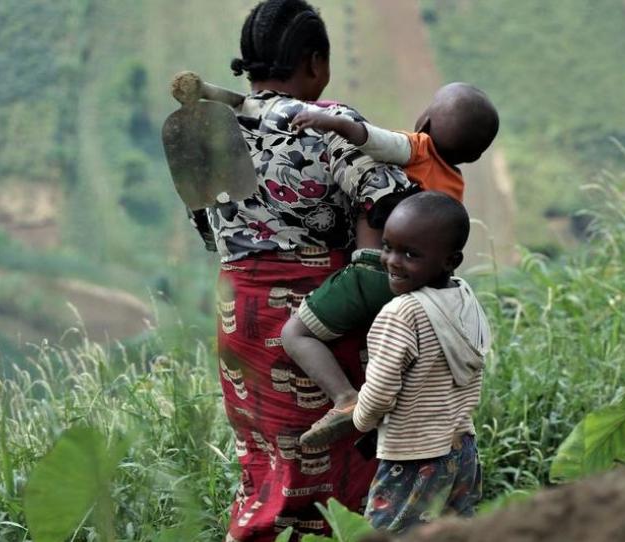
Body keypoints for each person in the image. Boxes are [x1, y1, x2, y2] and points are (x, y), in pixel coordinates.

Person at [188, 1, 412, 539]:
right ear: (315, 63)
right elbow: (390, 202)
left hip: (239, 312)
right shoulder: (327, 123)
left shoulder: (209, 131)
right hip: (317, 313)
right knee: (352, 446)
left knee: (265, 452)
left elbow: (204, 226)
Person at [279, 84, 499, 447]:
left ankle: (346, 399)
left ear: (425, 121)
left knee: (295, 334)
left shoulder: (418, 147)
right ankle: (379, 425)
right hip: (418, 290)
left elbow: (370, 138)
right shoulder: (454, 188)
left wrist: (329, 120)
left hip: (374, 273)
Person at [354, 191, 491, 533]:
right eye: (388, 246)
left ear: (450, 260)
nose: (392, 261)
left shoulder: (402, 313)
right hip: (462, 452)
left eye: (410, 254)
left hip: (412, 458)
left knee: (387, 536)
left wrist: (360, 420)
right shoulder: (465, 298)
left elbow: (381, 390)